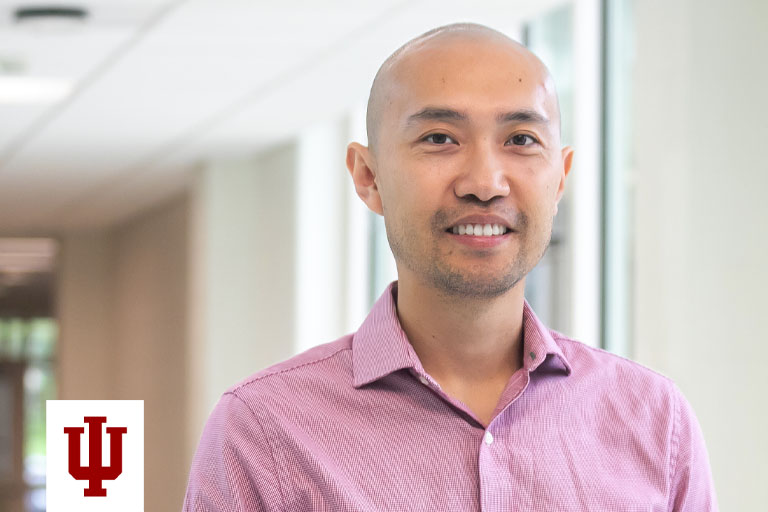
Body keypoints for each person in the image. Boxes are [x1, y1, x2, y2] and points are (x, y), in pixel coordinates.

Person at [183, 23, 718, 511]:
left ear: (560, 178)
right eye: (440, 138)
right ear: (368, 177)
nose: (484, 182)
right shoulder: (262, 431)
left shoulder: (655, 420)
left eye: (521, 140)